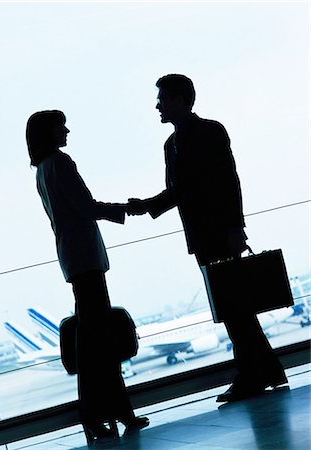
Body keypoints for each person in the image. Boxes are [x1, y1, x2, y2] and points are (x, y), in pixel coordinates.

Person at [127, 74, 288, 402]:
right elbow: (178, 191)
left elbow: (230, 182)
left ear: (179, 99)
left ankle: (253, 375)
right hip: (201, 238)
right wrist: (147, 206)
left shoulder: (210, 131)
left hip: (220, 234)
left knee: (234, 308)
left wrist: (234, 228)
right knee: (235, 308)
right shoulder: (171, 145)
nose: (157, 105)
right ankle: (265, 372)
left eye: (162, 98)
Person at [26, 110, 148, 447]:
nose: (66, 130)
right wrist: (123, 209)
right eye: (60, 125)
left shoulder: (42, 170)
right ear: (48, 132)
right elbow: (85, 207)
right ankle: (101, 415)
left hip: (73, 258)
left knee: (94, 344)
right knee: (99, 346)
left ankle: (112, 413)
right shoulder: (61, 163)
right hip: (85, 258)